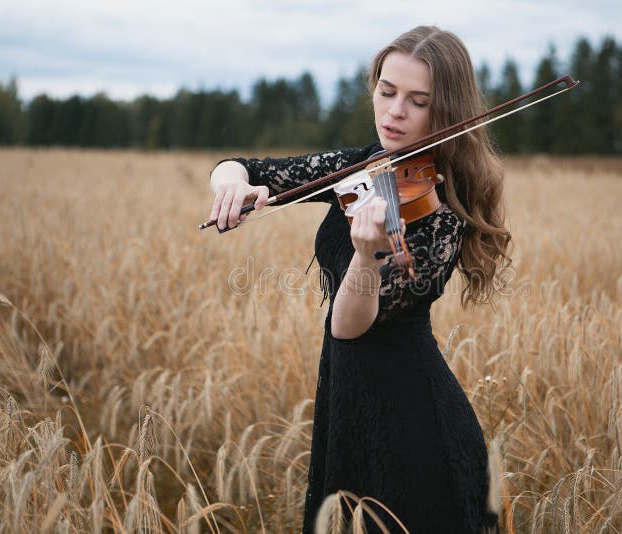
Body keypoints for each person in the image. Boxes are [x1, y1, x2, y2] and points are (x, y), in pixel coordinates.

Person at [208, 25, 510, 534]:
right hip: (350, 403)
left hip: (413, 423)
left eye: (418, 101)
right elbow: (246, 167)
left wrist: (365, 257)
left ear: (448, 111)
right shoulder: (366, 167)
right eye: (387, 91)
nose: (395, 111)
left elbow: (349, 326)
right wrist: (232, 182)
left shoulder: (441, 215)